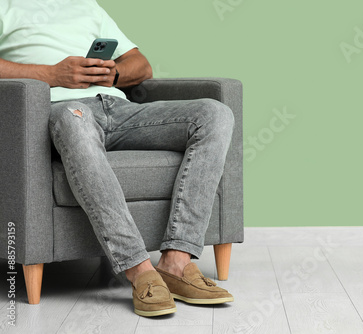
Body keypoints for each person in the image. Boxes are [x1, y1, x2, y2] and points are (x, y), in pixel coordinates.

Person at [0, 0, 234, 317]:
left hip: (119, 110)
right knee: (73, 117)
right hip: (63, 112)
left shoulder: (86, 6)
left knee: (215, 114)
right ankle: (139, 269)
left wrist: (114, 73)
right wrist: (53, 74)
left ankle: (176, 262)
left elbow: (141, 64)